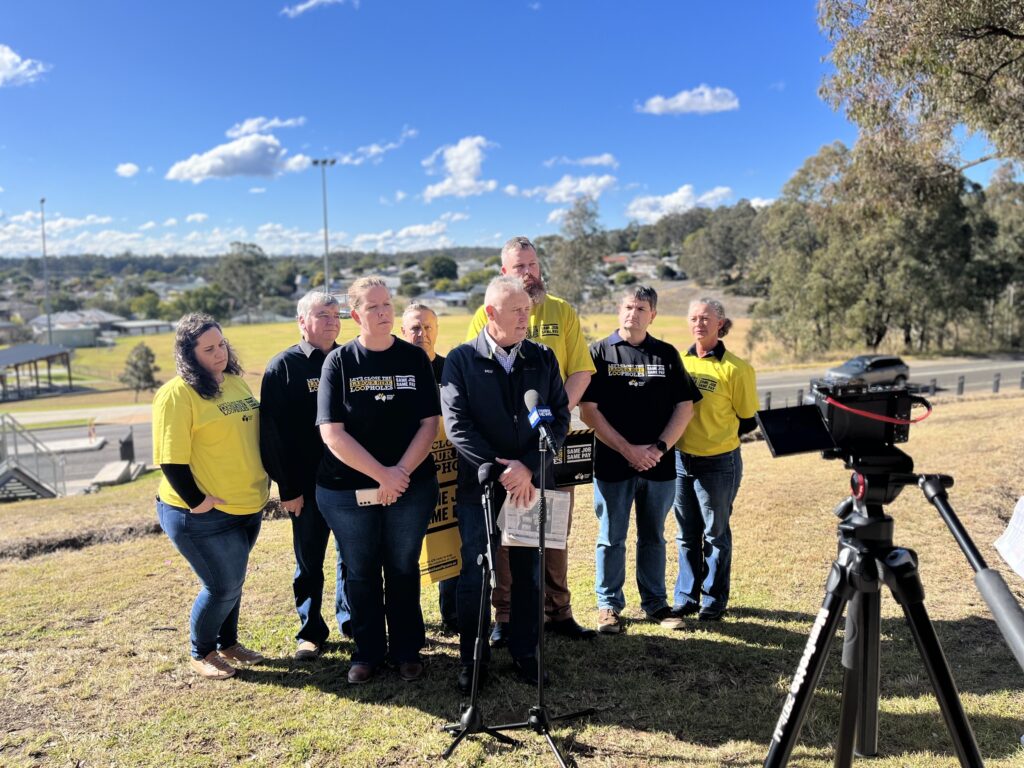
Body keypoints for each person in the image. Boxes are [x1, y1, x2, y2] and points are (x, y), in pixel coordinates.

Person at [465, 236, 597, 644]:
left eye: (533, 264)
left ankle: (559, 611)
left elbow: (580, 372)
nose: (529, 273)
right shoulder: (481, 315)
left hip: (550, 441)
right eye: (519, 267)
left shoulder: (562, 311)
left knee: (552, 529)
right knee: (509, 534)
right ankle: (506, 615)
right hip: (507, 453)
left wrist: (555, 415)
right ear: (504, 273)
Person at [442, 275, 570, 692]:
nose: (525, 318)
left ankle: (526, 653)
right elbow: (457, 426)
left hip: (531, 484)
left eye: (528, 311)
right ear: (491, 313)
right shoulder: (460, 360)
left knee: (529, 572)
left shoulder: (542, 357)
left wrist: (529, 468)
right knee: (477, 573)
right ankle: (473, 660)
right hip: (480, 485)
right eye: (517, 311)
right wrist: (502, 470)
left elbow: (560, 419)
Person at [315, 277, 441, 684]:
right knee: (361, 569)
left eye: (387, 304)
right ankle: (367, 652)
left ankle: (407, 650)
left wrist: (399, 474)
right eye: (373, 307)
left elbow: (429, 423)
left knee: (403, 567)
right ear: (356, 315)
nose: (384, 312)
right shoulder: (339, 363)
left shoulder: (414, 359)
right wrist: (382, 475)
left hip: (410, 487)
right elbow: (332, 432)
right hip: (348, 491)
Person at [153, 313, 269, 680]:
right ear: (189, 355)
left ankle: (228, 644)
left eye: (221, 344)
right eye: (208, 349)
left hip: (246, 504)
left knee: (235, 580)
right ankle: (201, 652)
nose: (219, 353)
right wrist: (197, 501)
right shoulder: (176, 395)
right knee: (222, 585)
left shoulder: (235, 383)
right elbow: (170, 460)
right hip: (202, 513)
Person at [579, 286, 701, 634]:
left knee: (654, 537)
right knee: (611, 536)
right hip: (612, 464)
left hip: (659, 465)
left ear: (653, 315)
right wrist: (627, 450)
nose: (633, 313)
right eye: (628, 306)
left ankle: (656, 604)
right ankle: (608, 606)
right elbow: (589, 411)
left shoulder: (665, 354)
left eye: (641, 308)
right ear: (620, 310)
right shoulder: (599, 352)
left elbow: (685, 406)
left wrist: (658, 449)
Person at [260, 290, 350, 661]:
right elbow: (271, 434)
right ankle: (311, 632)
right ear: (302, 321)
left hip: (349, 483)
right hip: (306, 488)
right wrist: (288, 488)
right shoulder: (282, 367)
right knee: (309, 562)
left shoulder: (351, 359)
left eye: (335, 314)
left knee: (352, 558)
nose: (331, 320)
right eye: (322, 314)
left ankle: (352, 622)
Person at [673, 298, 758, 622]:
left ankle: (713, 600)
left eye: (707, 318)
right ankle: (685, 597)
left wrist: (714, 433)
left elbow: (748, 420)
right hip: (681, 461)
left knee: (715, 534)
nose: (700, 323)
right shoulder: (679, 362)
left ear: (721, 323)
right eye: (694, 317)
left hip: (719, 464)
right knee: (686, 533)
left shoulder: (737, 369)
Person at [400, 302, 458, 634]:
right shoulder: (393, 368)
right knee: (407, 552)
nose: (423, 334)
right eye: (415, 328)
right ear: (403, 332)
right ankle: (411, 623)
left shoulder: (452, 369)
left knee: (449, 545)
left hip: (449, 474)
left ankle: (452, 616)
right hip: (406, 476)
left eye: (429, 327)